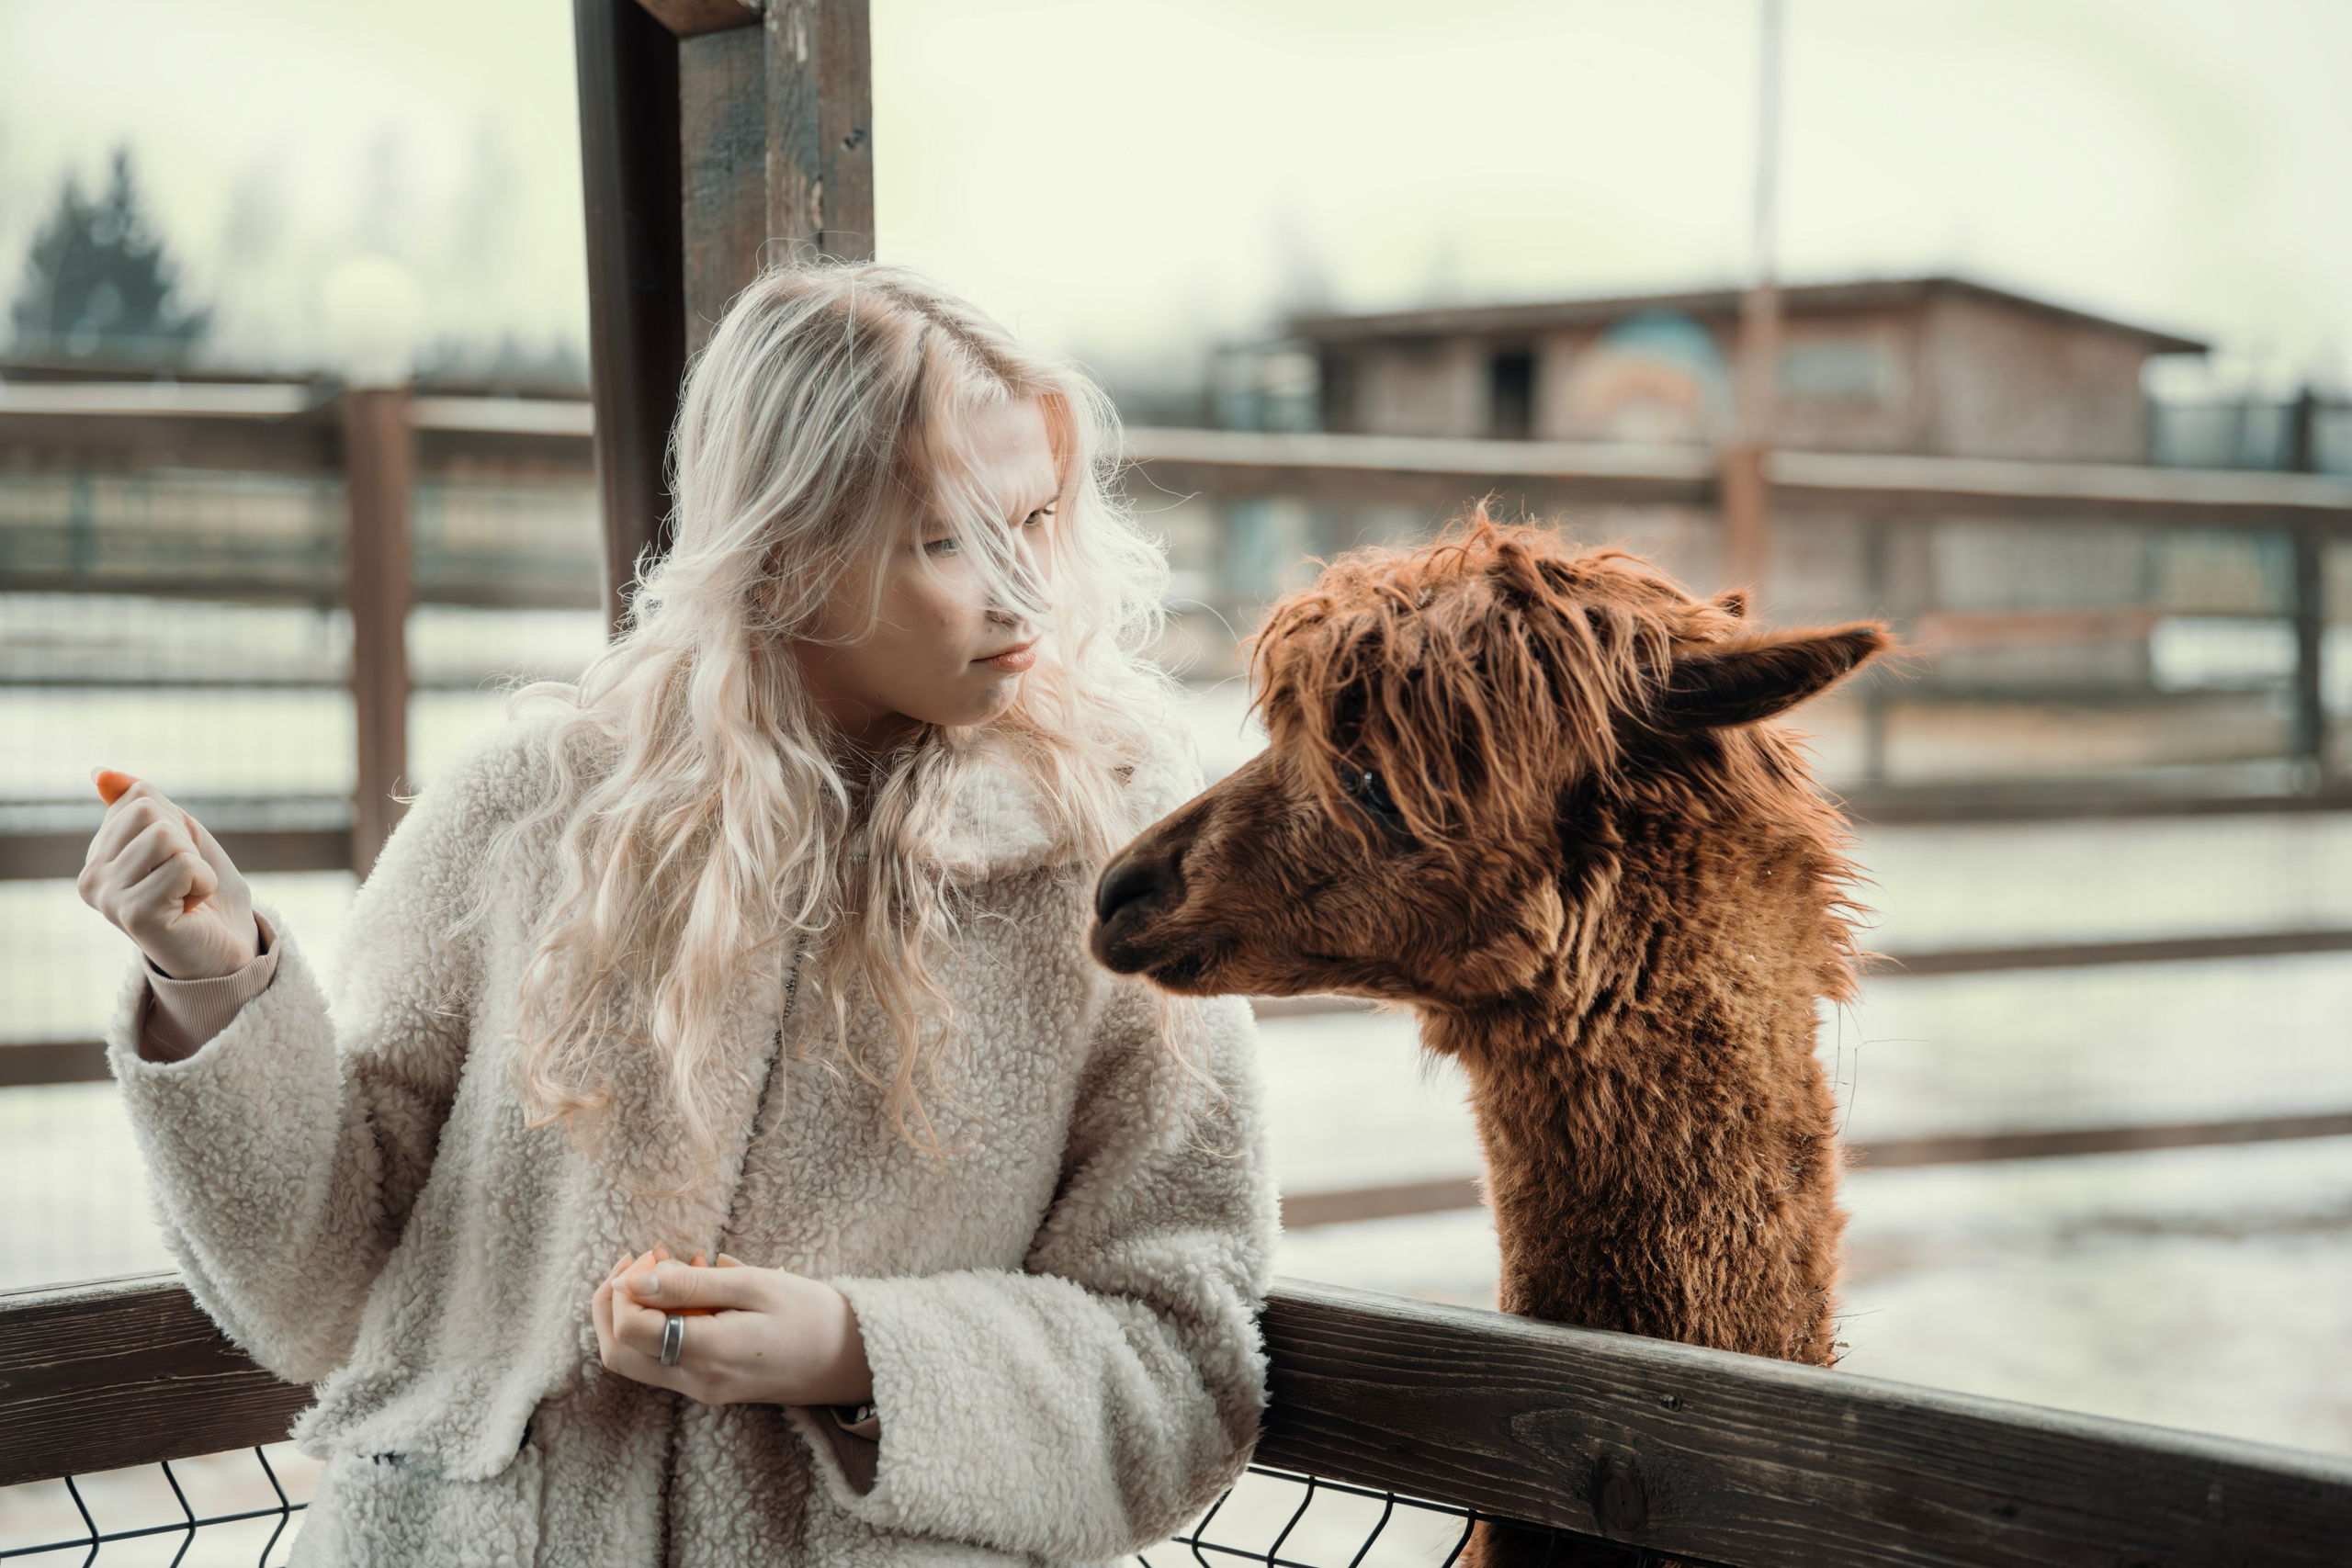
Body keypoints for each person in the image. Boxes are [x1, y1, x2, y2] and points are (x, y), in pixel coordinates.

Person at [76, 264, 1275, 1566]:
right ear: (788, 547)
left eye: (1036, 519)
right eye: (947, 540)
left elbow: (1183, 1363)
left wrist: (859, 1356)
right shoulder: (528, 815)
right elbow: (312, 1294)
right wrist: (213, 985)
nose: (1025, 590)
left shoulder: (1120, 866)